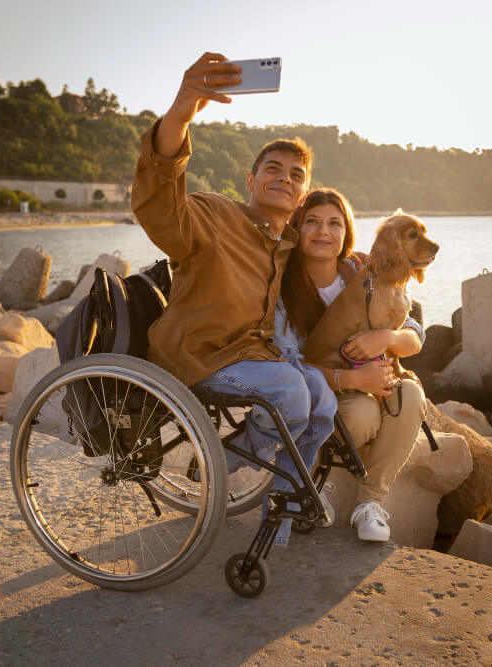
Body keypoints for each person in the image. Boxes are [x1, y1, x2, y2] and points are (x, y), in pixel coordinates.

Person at [131, 52, 336, 546]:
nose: (284, 178)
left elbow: (330, 253)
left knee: (323, 401)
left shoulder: (286, 246)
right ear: (250, 181)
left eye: (295, 174)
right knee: (290, 390)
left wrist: (359, 262)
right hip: (197, 355)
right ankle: (225, 459)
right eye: (272, 168)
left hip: (252, 357)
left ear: (302, 193)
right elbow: (162, 207)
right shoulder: (214, 214)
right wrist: (180, 113)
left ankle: (281, 509)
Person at [273, 188, 427, 542]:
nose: (323, 231)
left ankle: (370, 503)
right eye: (312, 222)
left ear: (347, 232)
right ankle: (310, 475)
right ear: (298, 228)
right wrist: (351, 378)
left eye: (334, 223)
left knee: (411, 396)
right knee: (363, 415)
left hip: (373, 378)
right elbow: (284, 364)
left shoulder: (364, 271)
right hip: (318, 392)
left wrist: (385, 338)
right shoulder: (281, 287)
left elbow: (415, 334)